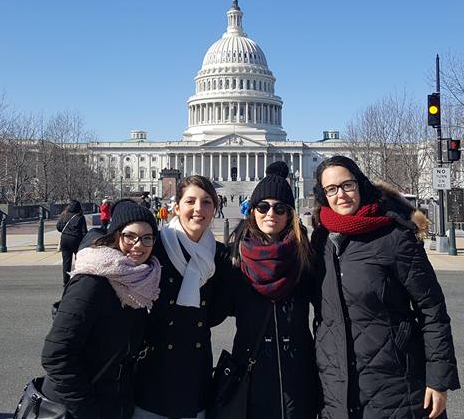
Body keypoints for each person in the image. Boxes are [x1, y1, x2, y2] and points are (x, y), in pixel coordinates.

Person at [311, 155, 460, 419]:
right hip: (337, 386)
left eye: (347, 185)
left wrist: (438, 379)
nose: (341, 195)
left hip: (395, 383)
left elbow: (431, 309)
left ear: (360, 184)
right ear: (323, 195)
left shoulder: (394, 235)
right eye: (331, 189)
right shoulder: (320, 241)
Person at [41, 200, 163, 419]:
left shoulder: (142, 282)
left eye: (147, 238)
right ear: (115, 236)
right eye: (130, 236)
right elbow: (56, 355)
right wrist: (88, 412)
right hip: (75, 408)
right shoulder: (92, 281)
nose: (138, 245)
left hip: (115, 403)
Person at [219, 161, 320, 419]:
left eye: (280, 208)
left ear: (290, 214)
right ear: (252, 210)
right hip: (250, 370)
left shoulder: (305, 257)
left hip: (297, 374)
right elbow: (213, 310)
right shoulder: (234, 258)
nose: (270, 213)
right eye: (263, 207)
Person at [133, 176, 231, 419]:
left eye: (207, 202)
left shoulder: (220, 256)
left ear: (214, 209)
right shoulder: (154, 248)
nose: (199, 209)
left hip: (195, 374)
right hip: (152, 372)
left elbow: (217, 311)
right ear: (176, 207)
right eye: (190, 201)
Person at [56, 199, 89, 286]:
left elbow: (58, 227)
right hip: (75, 240)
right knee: (79, 260)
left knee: (66, 262)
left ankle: (66, 282)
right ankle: (78, 279)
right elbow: (84, 232)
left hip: (64, 239)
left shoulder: (64, 215)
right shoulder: (80, 217)